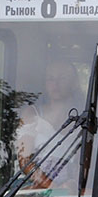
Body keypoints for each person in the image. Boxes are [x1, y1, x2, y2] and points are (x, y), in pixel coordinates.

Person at [15, 58, 83, 189]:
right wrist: (48, 184)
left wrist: (74, 183)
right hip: (34, 188)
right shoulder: (31, 113)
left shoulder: (83, 118)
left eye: (62, 78)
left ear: (74, 83)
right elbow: (24, 159)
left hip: (69, 192)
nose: (55, 84)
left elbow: (85, 161)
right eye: (50, 79)